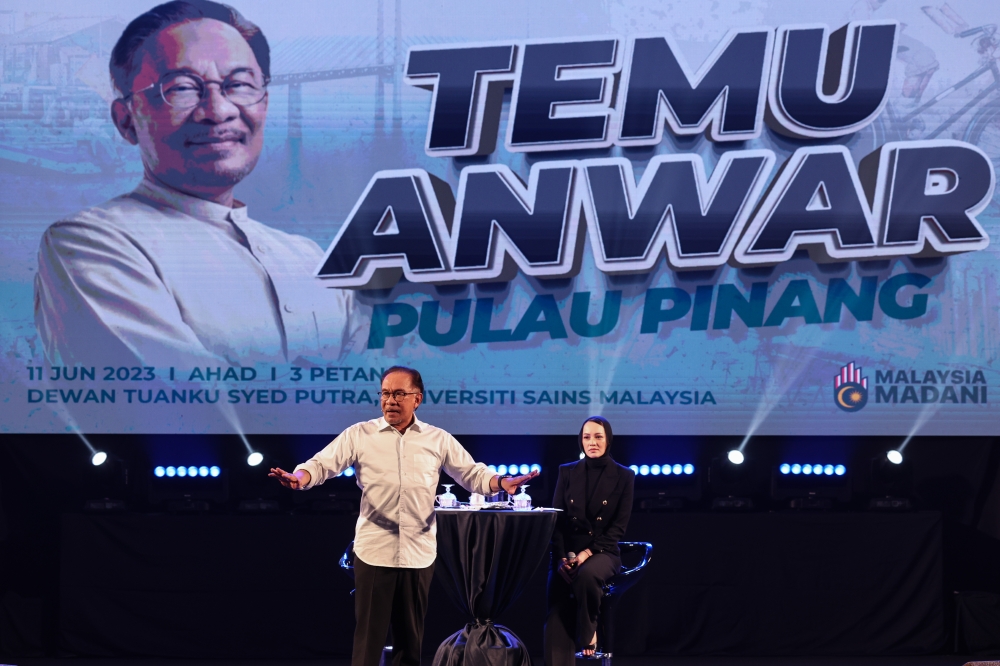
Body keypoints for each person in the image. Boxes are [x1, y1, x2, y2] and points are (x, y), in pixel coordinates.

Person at [34, 0, 358, 368]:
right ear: (126, 120)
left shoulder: (310, 260)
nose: (219, 111)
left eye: (239, 84)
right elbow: (180, 399)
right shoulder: (90, 245)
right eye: (182, 88)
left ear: (264, 104)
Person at [269, 366, 537, 666]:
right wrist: (300, 478)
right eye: (385, 393)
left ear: (417, 399)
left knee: (409, 644)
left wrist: (502, 482)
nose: (390, 401)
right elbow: (322, 464)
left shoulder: (437, 439)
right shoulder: (360, 434)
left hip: (418, 553)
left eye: (398, 394)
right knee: (368, 642)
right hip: (374, 551)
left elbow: (472, 473)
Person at [544, 416, 634, 666]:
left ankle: (588, 630)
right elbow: (557, 520)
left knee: (586, 574)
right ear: (580, 441)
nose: (592, 442)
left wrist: (586, 553)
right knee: (557, 606)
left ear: (608, 440)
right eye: (587, 437)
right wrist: (561, 558)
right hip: (567, 552)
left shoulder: (624, 475)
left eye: (598, 437)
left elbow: (618, 528)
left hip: (603, 551)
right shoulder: (567, 471)